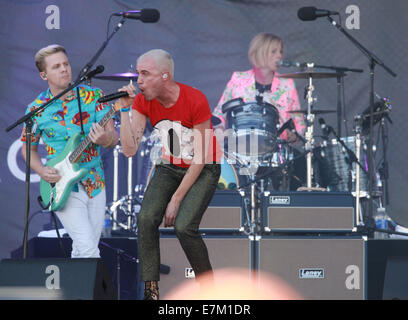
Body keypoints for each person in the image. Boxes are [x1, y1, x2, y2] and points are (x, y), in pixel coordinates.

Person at [116, 49, 221, 300]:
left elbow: (201, 157)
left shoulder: (195, 99)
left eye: (145, 74)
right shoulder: (143, 101)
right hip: (169, 165)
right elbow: (130, 149)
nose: (138, 80)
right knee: (146, 219)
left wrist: (176, 199)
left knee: (184, 227)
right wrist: (123, 110)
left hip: (204, 165)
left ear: (164, 76)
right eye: (137, 73)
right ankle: (151, 292)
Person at [20, 44, 118, 258]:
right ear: (44, 74)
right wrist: (42, 171)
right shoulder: (36, 109)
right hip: (63, 185)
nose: (64, 69)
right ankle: (97, 293)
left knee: (85, 246)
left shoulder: (94, 96)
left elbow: (113, 138)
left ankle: (75, 292)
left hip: (95, 181)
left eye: (66, 64)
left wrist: (105, 138)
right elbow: (28, 150)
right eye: (56, 66)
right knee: (88, 248)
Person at [213, 32, 307, 189]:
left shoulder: (286, 84)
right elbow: (219, 115)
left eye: (281, 52)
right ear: (259, 52)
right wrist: (220, 132)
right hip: (239, 150)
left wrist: (294, 134)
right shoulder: (238, 79)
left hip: (274, 152)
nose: (279, 56)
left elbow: (299, 125)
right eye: (274, 51)